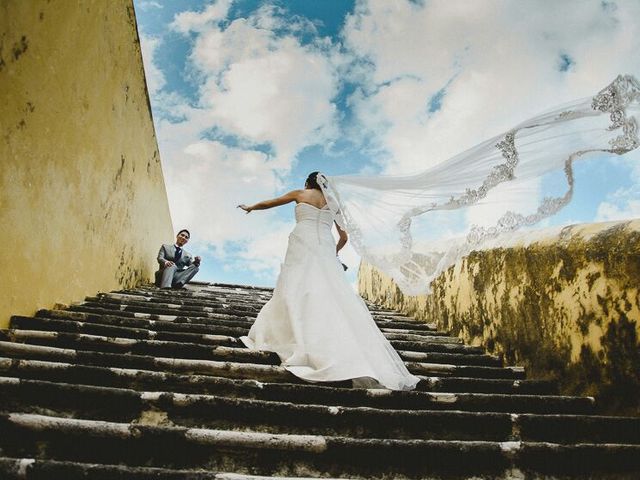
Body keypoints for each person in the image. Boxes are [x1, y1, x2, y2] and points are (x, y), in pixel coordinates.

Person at [238, 172, 420, 391]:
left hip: (302, 240)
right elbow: (344, 237)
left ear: (307, 182)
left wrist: (251, 207)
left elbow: (270, 203)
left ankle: (296, 332)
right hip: (324, 245)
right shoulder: (333, 203)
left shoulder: (300, 193)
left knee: (296, 285)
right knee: (327, 292)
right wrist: (332, 253)